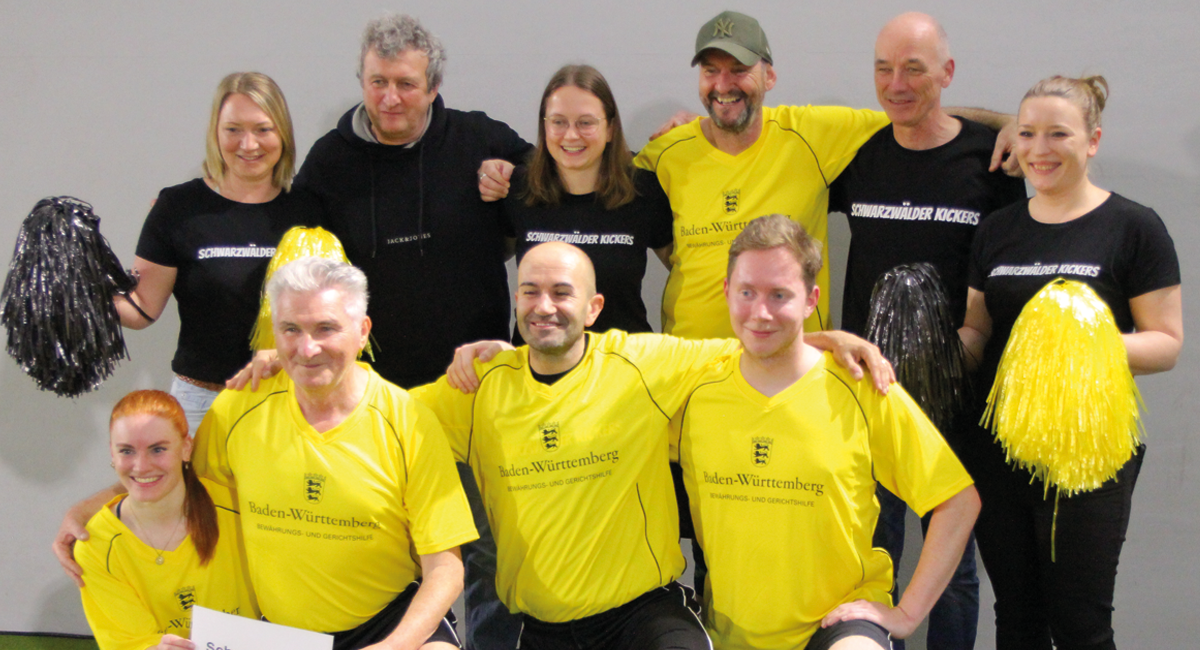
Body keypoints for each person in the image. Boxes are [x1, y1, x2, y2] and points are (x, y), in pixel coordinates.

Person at [418, 242, 892, 650]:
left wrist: (826, 338)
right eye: (530, 292)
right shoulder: (478, 389)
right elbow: (388, 420)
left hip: (643, 616)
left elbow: (755, 346)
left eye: (562, 293)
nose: (544, 306)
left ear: (593, 308)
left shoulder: (641, 364)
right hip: (540, 625)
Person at [673, 214, 980, 650]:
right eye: (747, 292)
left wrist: (906, 615)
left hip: (836, 626)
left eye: (780, 295)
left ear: (811, 300)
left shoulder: (862, 386)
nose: (761, 312)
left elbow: (957, 501)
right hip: (727, 631)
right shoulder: (692, 387)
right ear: (726, 291)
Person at [959, 76, 1182, 650]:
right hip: (999, 448)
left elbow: (1165, 343)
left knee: (1081, 625)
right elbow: (978, 331)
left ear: (1093, 140)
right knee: (1017, 619)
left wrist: (1079, 339)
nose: (1040, 149)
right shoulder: (997, 230)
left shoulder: (1133, 226)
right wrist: (931, 356)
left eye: (1058, 134)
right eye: (1027, 133)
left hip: (1090, 455)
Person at [632, 10, 1019, 340]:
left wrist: (1014, 123)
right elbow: (622, 196)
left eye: (739, 70)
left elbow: (912, 109)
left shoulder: (812, 134)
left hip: (796, 365)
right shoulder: (666, 152)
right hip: (692, 364)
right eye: (711, 71)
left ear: (770, 77)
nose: (723, 84)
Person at [826, 13, 1026, 650]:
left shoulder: (990, 161)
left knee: (955, 570)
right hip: (867, 391)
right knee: (874, 553)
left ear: (947, 73)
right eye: (884, 69)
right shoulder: (858, 154)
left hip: (957, 395)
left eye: (914, 68)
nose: (896, 84)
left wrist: (1012, 123)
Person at [293, 13, 532, 389]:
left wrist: (513, 175)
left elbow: (555, 177)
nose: (390, 98)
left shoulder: (478, 139)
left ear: (433, 87)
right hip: (369, 386)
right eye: (378, 82)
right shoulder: (329, 161)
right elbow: (294, 256)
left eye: (406, 84)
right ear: (362, 82)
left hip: (476, 376)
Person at [115, 71, 320, 434]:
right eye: (233, 130)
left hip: (292, 402)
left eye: (263, 129)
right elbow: (141, 307)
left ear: (283, 134)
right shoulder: (178, 207)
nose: (248, 144)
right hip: (200, 404)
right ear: (215, 132)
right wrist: (78, 296)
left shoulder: (311, 210)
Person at [502, 63, 672, 342]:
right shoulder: (519, 190)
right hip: (538, 362)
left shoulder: (643, 190)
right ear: (544, 126)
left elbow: (687, 269)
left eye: (586, 122)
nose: (571, 135)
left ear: (610, 128)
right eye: (558, 122)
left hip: (622, 363)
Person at [76, 390, 257, 650]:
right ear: (112, 454)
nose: (141, 466)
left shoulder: (238, 507)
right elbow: (129, 643)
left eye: (158, 449)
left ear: (186, 448)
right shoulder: (96, 546)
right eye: (126, 451)